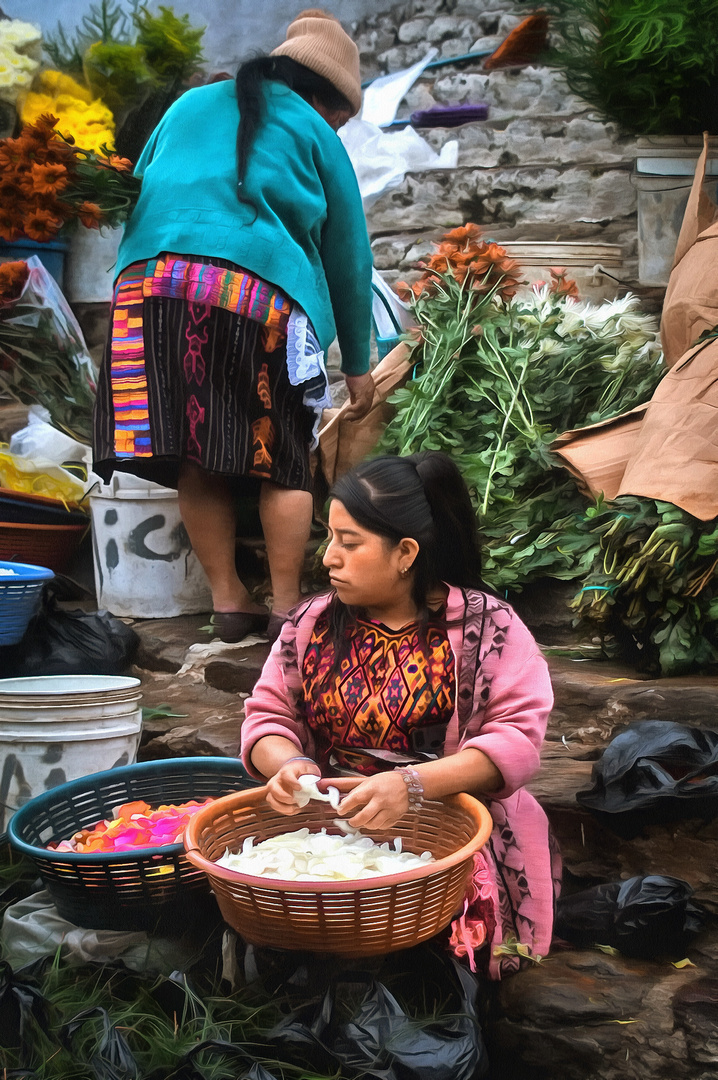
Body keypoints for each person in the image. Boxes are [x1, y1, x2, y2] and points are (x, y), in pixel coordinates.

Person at [93, 9, 375, 644]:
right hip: (250, 293)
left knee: (199, 456)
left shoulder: (189, 106)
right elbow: (349, 258)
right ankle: (286, 605)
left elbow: (141, 191)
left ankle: (229, 601)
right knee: (281, 459)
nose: (337, 127)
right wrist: (359, 365)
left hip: (148, 288)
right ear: (323, 98)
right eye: (340, 116)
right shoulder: (313, 129)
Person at [240, 452, 561, 978]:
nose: (328, 559)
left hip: (453, 828)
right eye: (329, 538)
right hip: (331, 828)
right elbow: (270, 712)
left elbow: (515, 743)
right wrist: (287, 765)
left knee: (429, 970)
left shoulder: (489, 629)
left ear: (405, 553)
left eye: (349, 542)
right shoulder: (313, 623)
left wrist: (410, 786)